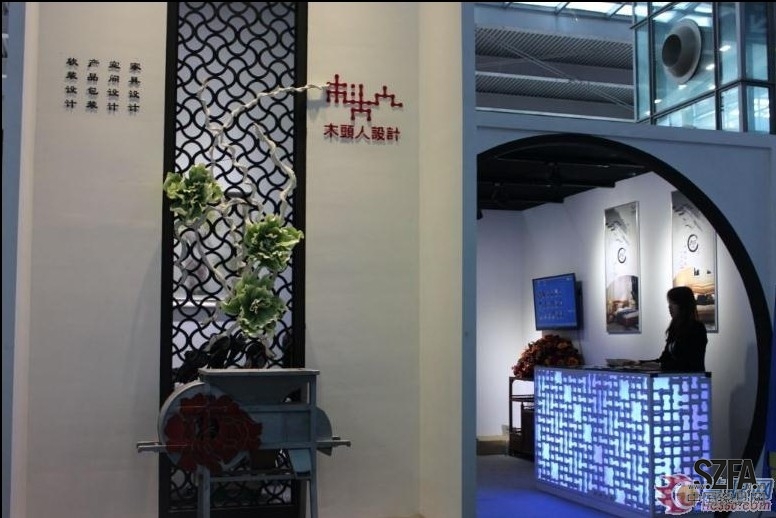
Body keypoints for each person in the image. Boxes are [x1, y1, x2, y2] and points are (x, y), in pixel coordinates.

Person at [651, 286, 708, 372]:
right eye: (669, 303)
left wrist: (661, 366)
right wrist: (640, 363)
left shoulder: (697, 328)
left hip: (691, 378)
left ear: (683, 305)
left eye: (673, 303)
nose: (669, 307)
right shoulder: (674, 328)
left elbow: (687, 363)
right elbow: (664, 358)